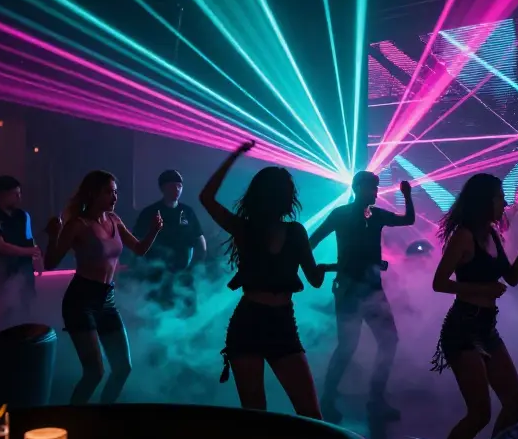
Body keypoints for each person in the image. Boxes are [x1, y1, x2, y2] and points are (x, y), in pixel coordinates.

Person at [424, 173, 518, 439]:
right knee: (479, 413)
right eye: (499, 198)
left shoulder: (491, 233)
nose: (505, 204)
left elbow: (513, 278)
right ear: (484, 201)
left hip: (485, 328)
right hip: (462, 329)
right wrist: (481, 290)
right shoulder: (464, 237)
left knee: (515, 402)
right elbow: (438, 283)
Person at [199, 140, 326, 418]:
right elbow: (315, 280)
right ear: (286, 198)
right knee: (284, 416)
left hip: (272, 323)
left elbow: (207, 198)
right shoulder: (273, 230)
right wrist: (232, 157)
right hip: (255, 322)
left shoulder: (267, 230)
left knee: (272, 414)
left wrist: (234, 156)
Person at [44, 171, 162, 405]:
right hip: (81, 301)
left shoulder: (115, 220)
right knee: (94, 373)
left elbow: (139, 249)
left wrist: (154, 231)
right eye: (108, 191)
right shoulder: (77, 225)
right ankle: (72, 422)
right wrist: (54, 235)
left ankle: (103, 417)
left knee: (123, 368)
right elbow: (50, 263)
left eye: (116, 191)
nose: (114, 196)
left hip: (106, 300)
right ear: (93, 193)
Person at [310, 171, 414, 423]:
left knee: (387, 341)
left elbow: (408, 219)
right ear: (357, 188)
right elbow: (310, 241)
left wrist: (407, 195)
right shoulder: (341, 214)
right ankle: (329, 399)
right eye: (371, 187)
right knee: (349, 346)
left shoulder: (375, 215)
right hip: (349, 289)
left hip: (370, 288)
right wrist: (319, 269)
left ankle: (374, 399)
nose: (376, 192)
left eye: (376, 187)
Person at [0, 176, 42, 327]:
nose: (19, 197)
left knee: (25, 318)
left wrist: (37, 258)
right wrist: (30, 252)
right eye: (15, 194)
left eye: (19, 193)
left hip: (23, 276)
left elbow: (30, 240)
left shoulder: (22, 216)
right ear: (0, 195)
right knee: (0, 321)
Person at [133, 170, 205, 311]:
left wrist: (194, 268)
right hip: (157, 276)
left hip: (184, 275)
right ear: (163, 188)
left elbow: (200, 242)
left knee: (187, 313)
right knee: (159, 315)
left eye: (179, 186)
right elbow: (136, 243)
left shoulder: (187, 212)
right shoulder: (150, 212)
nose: (177, 189)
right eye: (172, 186)